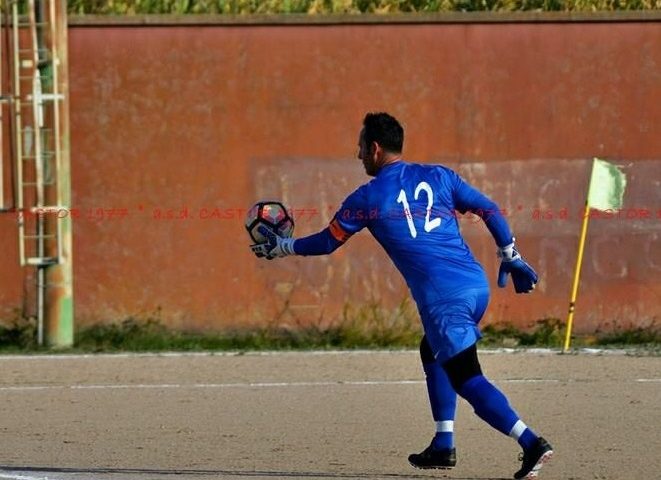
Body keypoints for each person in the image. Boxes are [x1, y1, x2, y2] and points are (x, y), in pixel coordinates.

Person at [251, 112, 554, 479]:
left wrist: (282, 246)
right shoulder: (440, 176)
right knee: (432, 351)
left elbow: (327, 242)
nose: (358, 154)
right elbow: (488, 208)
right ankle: (444, 444)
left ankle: (531, 443)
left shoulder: (367, 197)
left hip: (444, 300)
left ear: (375, 149)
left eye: (361, 147)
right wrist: (510, 254)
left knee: (466, 377)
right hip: (475, 287)